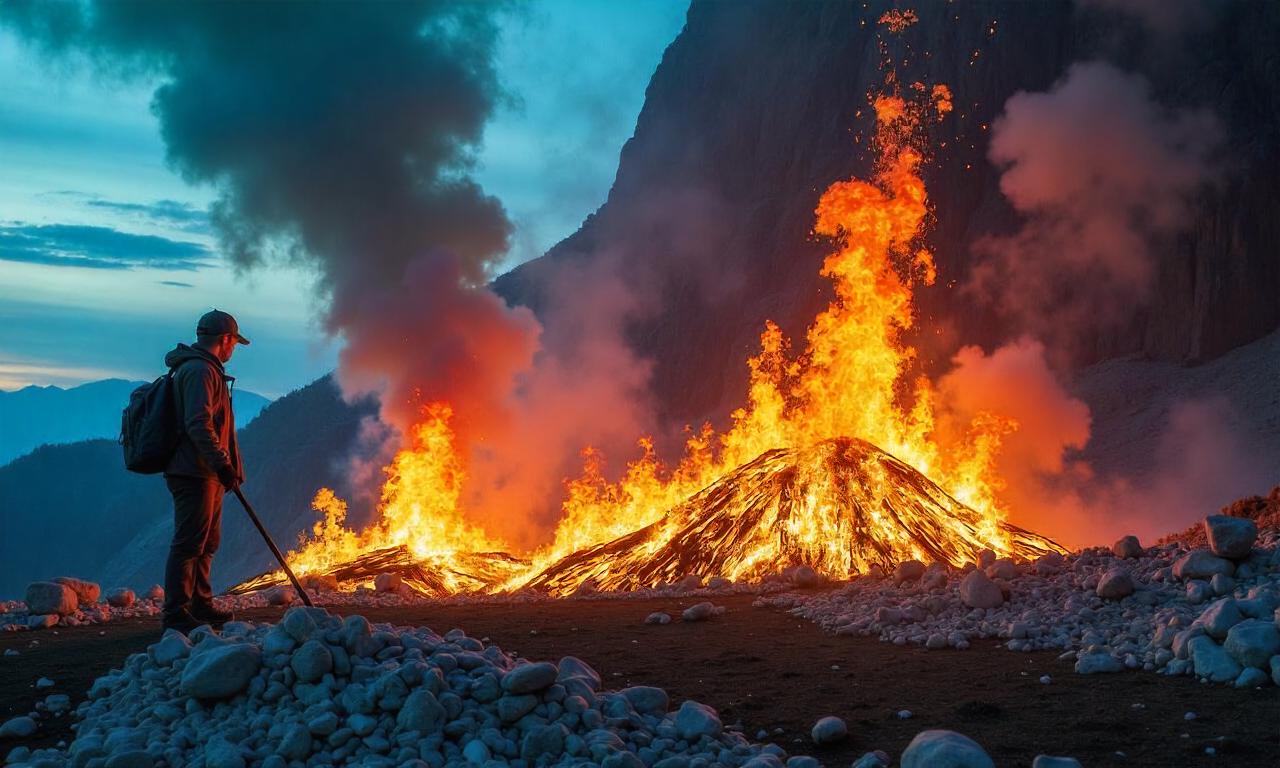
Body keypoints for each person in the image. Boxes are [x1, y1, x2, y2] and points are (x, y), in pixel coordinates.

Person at [160, 309, 249, 633]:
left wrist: (226, 468)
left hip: (205, 472)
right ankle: (177, 613)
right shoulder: (200, 371)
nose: (233, 350)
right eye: (234, 343)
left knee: (207, 541)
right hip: (193, 472)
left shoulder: (204, 369)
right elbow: (198, 424)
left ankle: (200, 603)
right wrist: (222, 464)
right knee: (189, 543)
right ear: (225, 340)